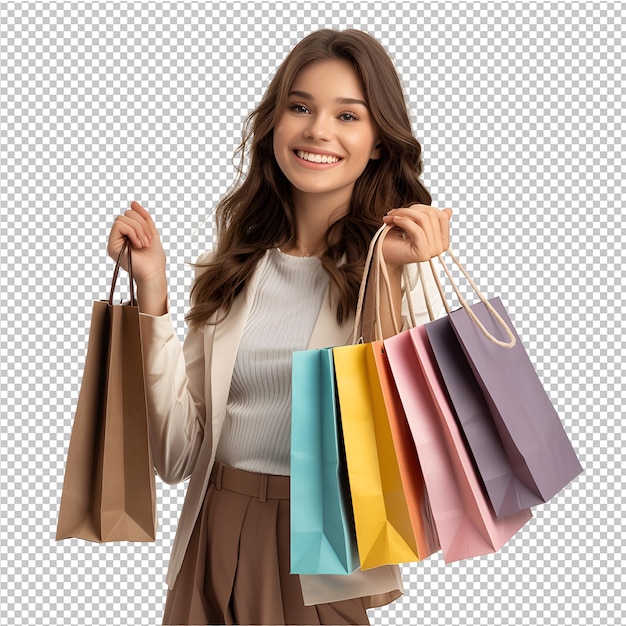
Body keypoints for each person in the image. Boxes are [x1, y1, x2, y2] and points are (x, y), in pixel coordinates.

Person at [107, 28, 451, 626]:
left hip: (318, 556)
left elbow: (405, 458)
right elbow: (176, 455)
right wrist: (152, 294)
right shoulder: (237, 269)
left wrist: (389, 280)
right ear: (275, 125)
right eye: (300, 107)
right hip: (208, 539)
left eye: (348, 115)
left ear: (376, 143)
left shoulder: (400, 266)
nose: (318, 130)